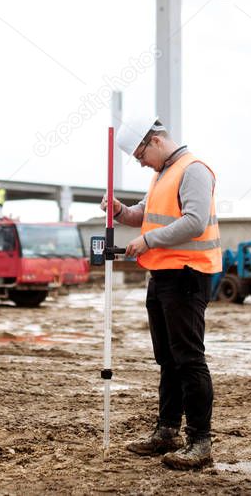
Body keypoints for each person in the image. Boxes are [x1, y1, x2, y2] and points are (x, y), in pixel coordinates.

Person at [100, 116, 222, 470]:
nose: (140, 162)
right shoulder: (161, 174)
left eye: (140, 154)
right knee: (167, 360)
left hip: (187, 274)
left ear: (154, 141)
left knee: (189, 359)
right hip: (162, 275)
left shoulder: (193, 170)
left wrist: (148, 241)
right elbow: (146, 214)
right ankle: (166, 431)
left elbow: (194, 221)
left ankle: (200, 441)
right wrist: (122, 212)